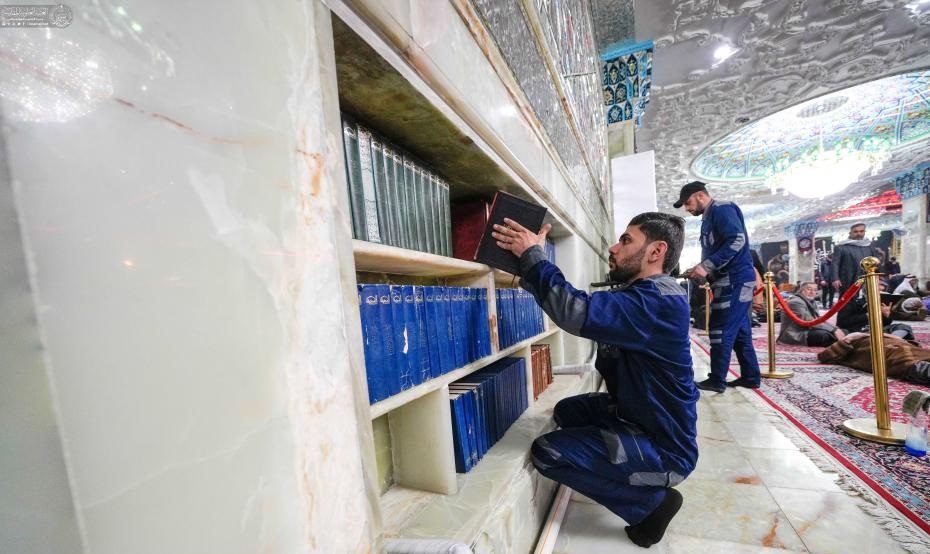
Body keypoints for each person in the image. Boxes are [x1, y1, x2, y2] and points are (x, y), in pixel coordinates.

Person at [490, 212, 697, 549]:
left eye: (626, 240)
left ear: (656, 251)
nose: (613, 248)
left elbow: (574, 311)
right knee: (567, 411)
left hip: (666, 449)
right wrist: (530, 264)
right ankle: (618, 458)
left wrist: (532, 256)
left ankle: (652, 505)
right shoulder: (646, 295)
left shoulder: (654, 302)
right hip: (639, 416)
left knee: (548, 453)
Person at [675, 181, 761, 393]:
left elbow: (737, 241)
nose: (687, 208)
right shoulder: (709, 217)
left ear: (700, 195)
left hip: (735, 281)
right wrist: (701, 268)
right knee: (740, 332)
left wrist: (706, 266)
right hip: (728, 280)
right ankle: (751, 377)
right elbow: (719, 248)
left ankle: (717, 380)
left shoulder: (722, 209)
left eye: (688, 202)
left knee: (720, 329)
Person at [833, 223, 881, 331]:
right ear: (850, 233)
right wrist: (835, 278)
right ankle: (842, 327)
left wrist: (878, 278)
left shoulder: (869, 247)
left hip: (867, 279)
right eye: (856, 231)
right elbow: (835, 263)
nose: (859, 234)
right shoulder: (841, 247)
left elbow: (875, 263)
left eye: (861, 231)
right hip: (847, 279)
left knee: (866, 302)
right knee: (846, 302)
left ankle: (863, 325)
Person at [777, 282, 845, 347]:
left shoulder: (812, 301)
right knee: (823, 335)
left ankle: (838, 340)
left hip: (809, 329)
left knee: (843, 331)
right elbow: (808, 321)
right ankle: (839, 341)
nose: (812, 292)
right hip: (795, 334)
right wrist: (833, 330)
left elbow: (819, 319)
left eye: (815, 290)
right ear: (801, 290)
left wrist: (835, 329)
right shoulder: (795, 302)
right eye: (809, 289)